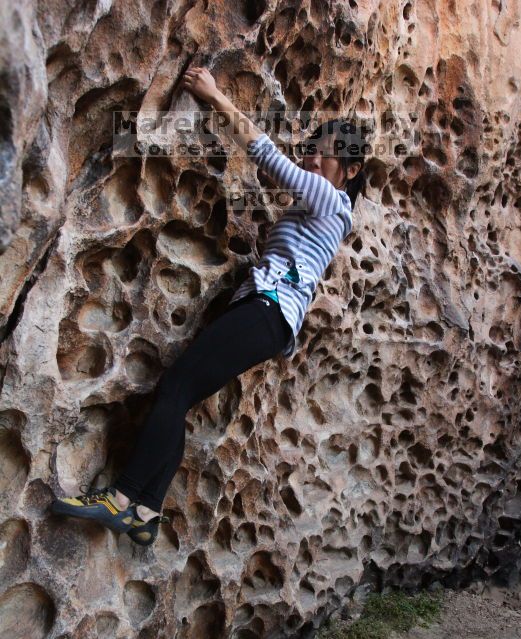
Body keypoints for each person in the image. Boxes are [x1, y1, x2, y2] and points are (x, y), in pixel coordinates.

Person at [50, 67, 369, 546]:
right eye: (312, 147)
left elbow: (263, 151)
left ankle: (122, 497)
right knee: (180, 398)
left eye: (324, 151)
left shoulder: (331, 200)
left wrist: (215, 95)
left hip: (268, 310)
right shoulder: (319, 210)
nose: (313, 156)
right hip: (268, 317)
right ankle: (146, 512)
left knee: (174, 388)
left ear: (349, 168)